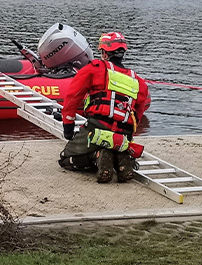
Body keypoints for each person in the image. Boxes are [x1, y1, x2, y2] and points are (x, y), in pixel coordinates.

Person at [58, 32, 151, 184]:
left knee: (66, 159)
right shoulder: (139, 82)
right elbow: (138, 115)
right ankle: (120, 158)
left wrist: (68, 127)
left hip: (98, 127)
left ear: (105, 53)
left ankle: (96, 156)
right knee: (116, 146)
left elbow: (72, 98)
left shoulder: (94, 69)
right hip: (124, 134)